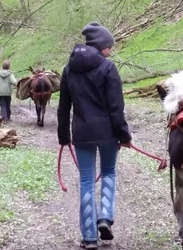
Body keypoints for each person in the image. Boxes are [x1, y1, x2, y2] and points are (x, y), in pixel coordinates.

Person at [57, 22, 132, 250]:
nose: (110, 50)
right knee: (108, 172)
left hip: (82, 134)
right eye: (109, 46)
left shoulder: (69, 69)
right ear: (101, 46)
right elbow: (116, 108)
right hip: (107, 133)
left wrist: (63, 136)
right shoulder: (108, 68)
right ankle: (105, 218)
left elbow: (63, 107)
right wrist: (124, 135)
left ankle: (89, 238)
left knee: (86, 181)